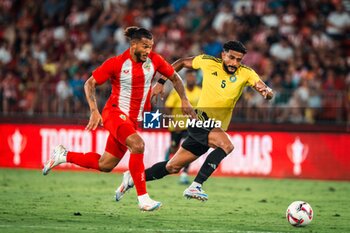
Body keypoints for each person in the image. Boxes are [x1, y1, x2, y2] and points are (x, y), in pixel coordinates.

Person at [42, 26, 196, 211]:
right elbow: (89, 83)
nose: (148, 51)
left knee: (106, 164)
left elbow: (175, 77)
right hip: (114, 113)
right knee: (138, 145)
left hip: (132, 120)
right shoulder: (116, 63)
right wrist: (94, 110)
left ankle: (63, 155)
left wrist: (183, 99)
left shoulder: (154, 60)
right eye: (145, 46)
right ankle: (143, 199)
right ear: (133, 44)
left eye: (151, 46)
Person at [115, 40, 273, 202]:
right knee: (227, 146)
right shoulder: (209, 62)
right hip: (201, 120)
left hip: (215, 127)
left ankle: (132, 178)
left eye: (239, 60)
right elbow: (182, 62)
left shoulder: (246, 73)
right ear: (223, 55)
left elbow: (264, 89)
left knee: (172, 167)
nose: (234, 63)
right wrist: (161, 82)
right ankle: (196, 186)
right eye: (231, 58)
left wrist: (266, 92)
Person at [163, 70, 201, 184]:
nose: (191, 79)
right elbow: (168, 107)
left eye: (193, 77)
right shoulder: (178, 92)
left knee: (188, 150)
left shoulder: (200, 92)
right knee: (174, 148)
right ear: (186, 78)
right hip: (177, 126)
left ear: (196, 79)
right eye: (189, 76)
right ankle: (169, 152)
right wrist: (173, 122)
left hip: (192, 126)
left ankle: (184, 174)